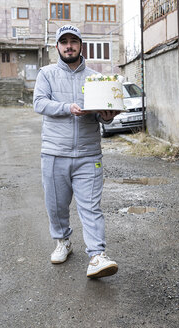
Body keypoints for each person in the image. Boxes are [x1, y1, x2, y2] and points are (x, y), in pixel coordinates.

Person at [33, 25, 121, 278]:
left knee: (91, 207)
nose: (69, 46)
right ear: (57, 46)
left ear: (81, 45)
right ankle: (63, 242)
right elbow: (39, 103)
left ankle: (97, 256)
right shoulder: (47, 74)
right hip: (54, 152)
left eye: (74, 41)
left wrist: (107, 117)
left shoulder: (96, 78)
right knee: (56, 205)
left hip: (88, 154)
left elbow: (106, 115)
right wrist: (66, 107)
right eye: (64, 42)